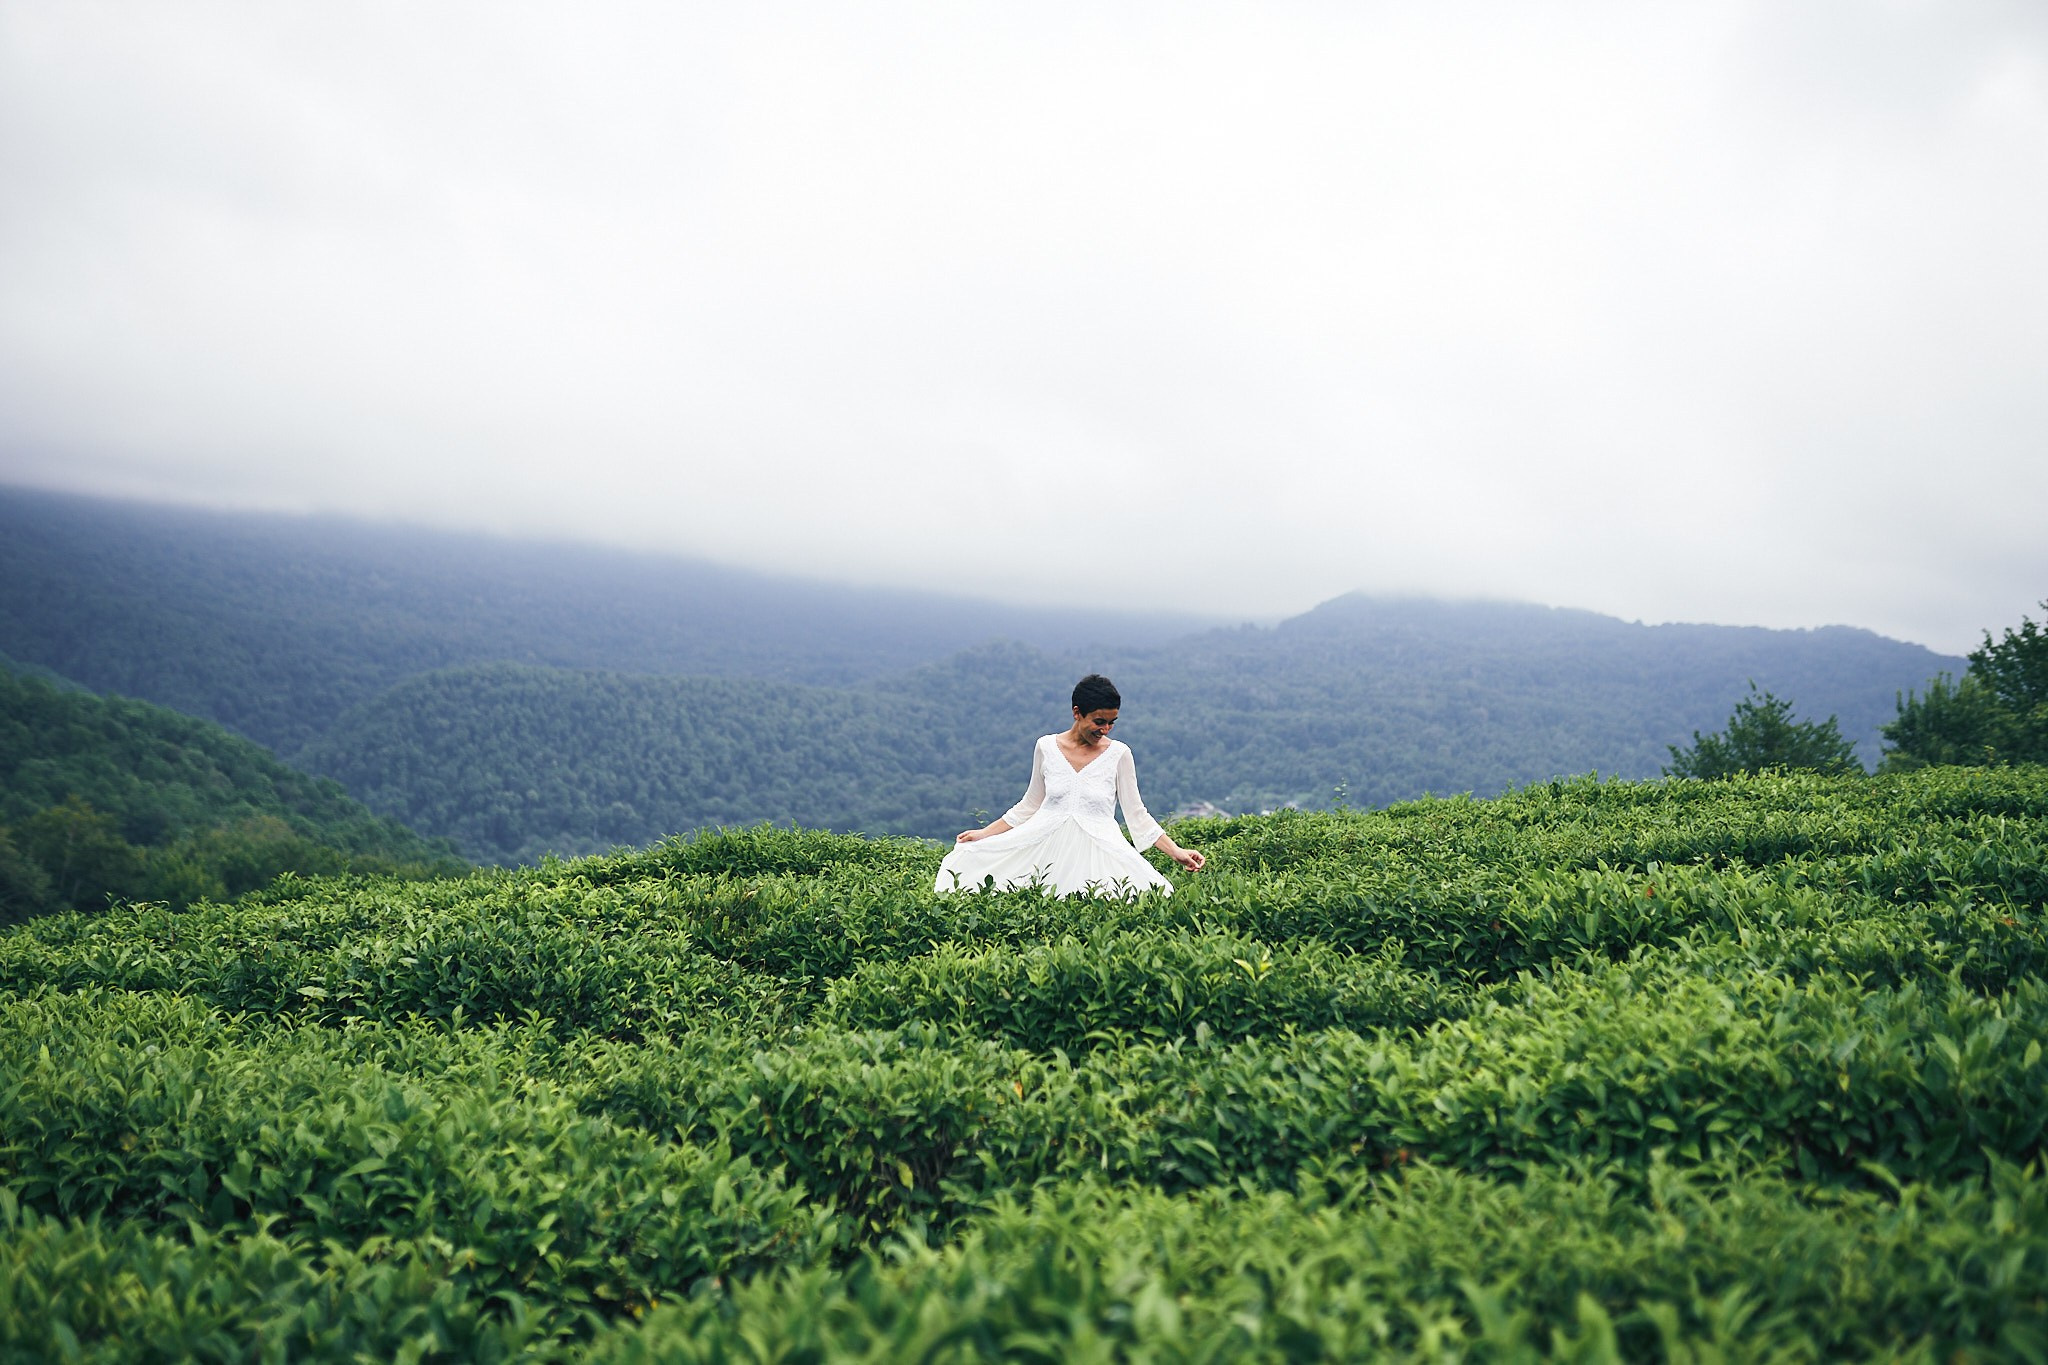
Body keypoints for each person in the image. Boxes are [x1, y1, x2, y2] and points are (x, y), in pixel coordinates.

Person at [935, 674, 1204, 897]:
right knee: (977, 869)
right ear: (1077, 713)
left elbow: (1137, 815)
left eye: (1112, 722)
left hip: (1099, 849)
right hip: (1044, 844)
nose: (1106, 729)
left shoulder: (1120, 754)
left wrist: (1176, 852)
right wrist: (985, 833)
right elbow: (1029, 804)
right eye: (1099, 721)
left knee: (1152, 894)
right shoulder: (1046, 747)